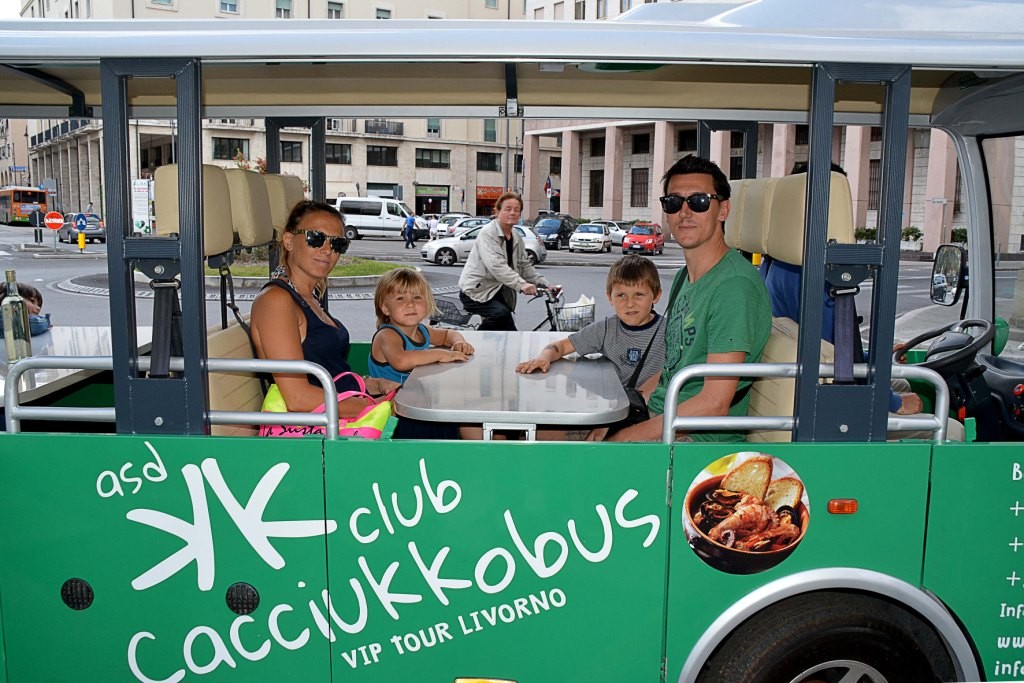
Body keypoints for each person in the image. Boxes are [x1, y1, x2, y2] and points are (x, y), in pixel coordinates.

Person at [604, 154, 772, 442]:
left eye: (699, 201)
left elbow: (714, 404)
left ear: (723, 210)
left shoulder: (734, 287)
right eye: (673, 202)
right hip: (662, 418)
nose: (684, 212)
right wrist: (627, 412)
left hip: (694, 440)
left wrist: (625, 439)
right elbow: (674, 367)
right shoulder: (686, 276)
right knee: (542, 432)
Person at [762, 161, 923, 417]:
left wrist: (873, 357)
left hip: (802, 382)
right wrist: (895, 404)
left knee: (902, 383)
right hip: (825, 403)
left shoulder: (775, 262)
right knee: (947, 426)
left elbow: (830, 350)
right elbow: (840, 362)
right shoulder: (820, 276)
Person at [250, 200, 399, 416]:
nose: (328, 250)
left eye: (338, 243)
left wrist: (373, 385)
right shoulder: (276, 301)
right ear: (289, 241)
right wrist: (375, 408)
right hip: (324, 427)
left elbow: (329, 371)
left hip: (343, 412)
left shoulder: (308, 297)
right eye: (316, 238)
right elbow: (298, 398)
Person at [516, 254, 664, 388]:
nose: (630, 303)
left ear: (656, 295)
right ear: (610, 297)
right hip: (620, 403)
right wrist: (543, 358)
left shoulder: (669, 331)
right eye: (621, 295)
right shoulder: (605, 329)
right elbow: (560, 346)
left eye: (639, 294)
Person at [368, 268, 474, 439]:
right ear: (386, 308)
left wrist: (458, 342)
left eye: (417, 297)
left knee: (468, 415)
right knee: (462, 422)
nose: (410, 304)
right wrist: (441, 354)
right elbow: (401, 361)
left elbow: (448, 334)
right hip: (395, 415)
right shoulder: (387, 335)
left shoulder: (421, 331)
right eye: (400, 298)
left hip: (418, 405)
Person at [459, 191, 555, 331]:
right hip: (476, 291)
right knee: (500, 315)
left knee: (510, 332)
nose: (512, 213)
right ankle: (472, 341)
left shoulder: (516, 237)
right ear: (497, 212)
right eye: (507, 209)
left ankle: (492, 344)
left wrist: (546, 284)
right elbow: (496, 265)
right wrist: (522, 285)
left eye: (516, 210)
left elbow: (524, 266)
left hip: (499, 292)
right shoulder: (488, 233)